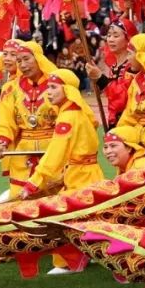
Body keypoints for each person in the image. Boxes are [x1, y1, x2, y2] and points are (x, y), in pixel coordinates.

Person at [19, 68, 102, 275]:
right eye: (48, 87)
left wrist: (34, 182)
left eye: (54, 87)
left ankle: (67, 262)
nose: (48, 92)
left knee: (61, 217)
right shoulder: (78, 112)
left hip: (80, 175)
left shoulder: (67, 117)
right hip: (88, 172)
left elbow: (55, 153)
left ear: (66, 90)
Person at [0, 40, 59, 198]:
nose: (22, 65)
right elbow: (5, 119)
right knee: (19, 201)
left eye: (26, 59)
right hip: (23, 154)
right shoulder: (10, 88)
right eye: (19, 61)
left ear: (38, 59)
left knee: (55, 200)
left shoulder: (57, 84)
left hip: (54, 150)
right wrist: (3, 142)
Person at [85, 17, 136, 126]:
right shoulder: (114, 66)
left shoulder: (133, 66)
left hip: (129, 123)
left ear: (128, 38)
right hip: (114, 120)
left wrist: (100, 77)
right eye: (109, 35)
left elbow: (122, 99)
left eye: (116, 36)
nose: (110, 39)